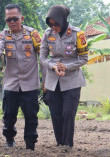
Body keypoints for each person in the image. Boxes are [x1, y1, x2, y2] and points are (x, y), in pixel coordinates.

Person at [0, 4, 42, 151]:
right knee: (9, 116)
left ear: (21, 18)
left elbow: (43, 55)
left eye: (15, 19)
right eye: (8, 20)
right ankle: (9, 139)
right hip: (11, 84)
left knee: (31, 116)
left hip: (30, 84)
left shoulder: (32, 34)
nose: (12, 22)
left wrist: (46, 79)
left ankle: (30, 145)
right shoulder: (4, 34)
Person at [39, 5, 89, 147]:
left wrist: (66, 67)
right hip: (53, 79)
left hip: (72, 80)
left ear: (63, 20)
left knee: (68, 113)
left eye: (56, 24)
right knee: (56, 114)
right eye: (50, 24)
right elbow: (42, 58)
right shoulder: (47, 34)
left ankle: (67, 145)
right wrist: (53, 66)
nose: (54, 27)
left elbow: (84, 58)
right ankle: (60, 144)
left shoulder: (77, 34)